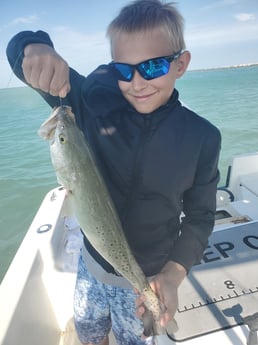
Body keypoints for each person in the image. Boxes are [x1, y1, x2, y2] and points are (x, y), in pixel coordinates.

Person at [6, 0, 221, 344]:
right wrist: (33, 47)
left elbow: (199, 216)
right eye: (124, 70)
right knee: (90, 334)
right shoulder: (92, 104)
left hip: (146, 277)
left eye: (152, 68)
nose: (137, 83)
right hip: (91, 266)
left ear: (181, 64)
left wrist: (174, 272)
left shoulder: (202, 137)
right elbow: (24, 55)